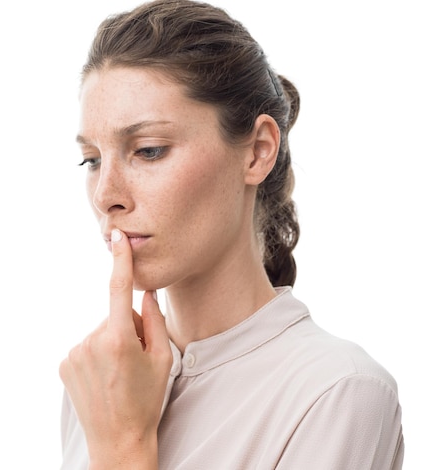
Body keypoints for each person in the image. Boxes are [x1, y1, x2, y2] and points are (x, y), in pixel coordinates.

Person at [58, 0, 404, 468]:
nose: (105, 195)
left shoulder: (338, 393)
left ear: (258, 152)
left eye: (149, 150)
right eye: (92, 159)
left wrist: (122, 447)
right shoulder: (100, 381)